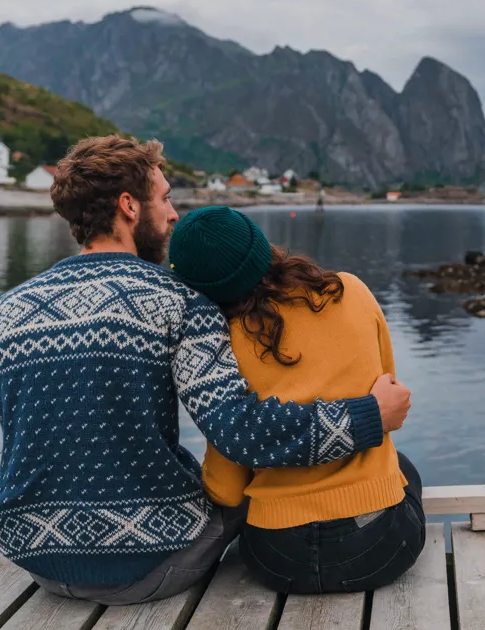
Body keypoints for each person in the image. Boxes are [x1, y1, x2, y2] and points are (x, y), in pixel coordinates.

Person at [0, 136, 411, 605]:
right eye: (165, 198)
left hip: (32, 554)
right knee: (246, 486)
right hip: (146, 563)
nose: (172, 215)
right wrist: (368, 416)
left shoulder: (9, 309)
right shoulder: (180, 302)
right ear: (129, 206)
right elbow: (242, 433)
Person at [168, 206, 426, 593]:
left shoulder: (222, 348)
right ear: (260, 244)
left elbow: (227, 489)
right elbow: (390, 395)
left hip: (276, 556)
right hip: (381, 546)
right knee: (405, 468)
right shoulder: (350, 290)